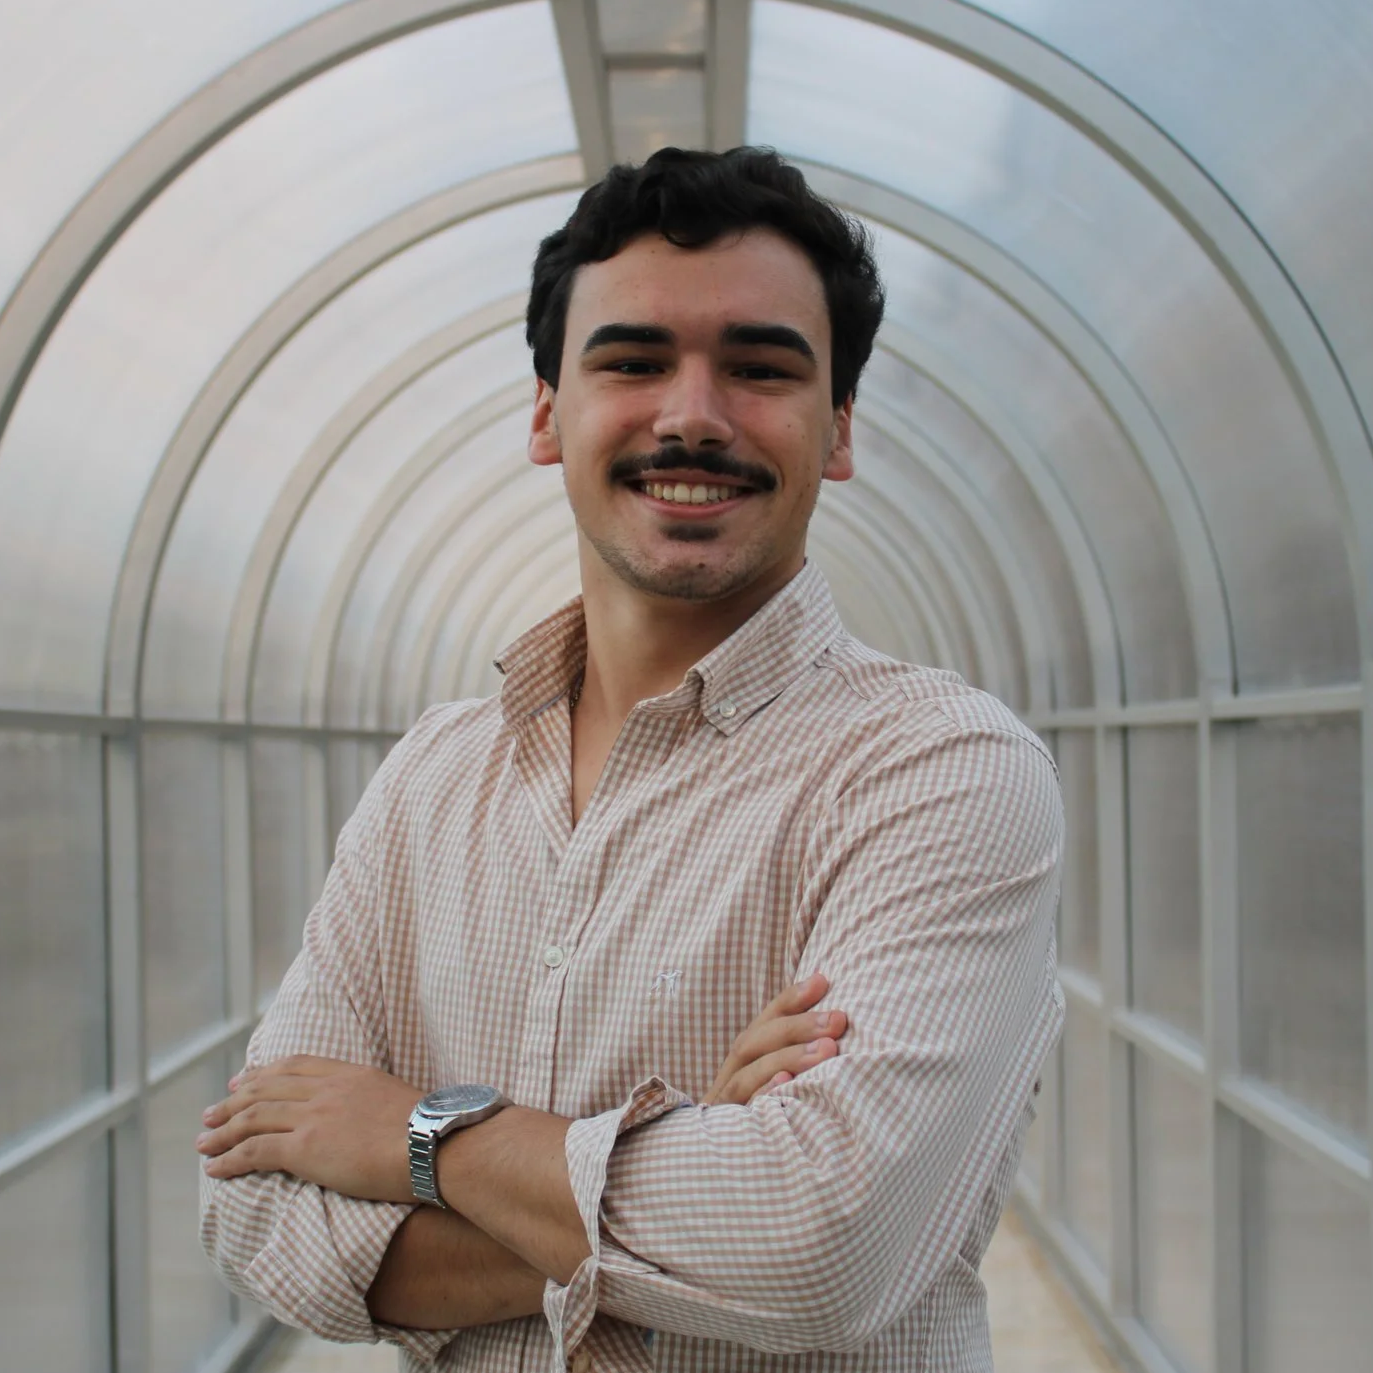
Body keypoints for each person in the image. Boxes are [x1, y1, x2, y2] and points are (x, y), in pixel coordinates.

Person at [198, 146, 1063, 1373]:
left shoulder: (936, 769)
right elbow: (253, 1211)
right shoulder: (430, 779)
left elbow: (818, 1239)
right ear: (546, 414)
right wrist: (689, 1149)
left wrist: (417, 1136)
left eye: (760, 367)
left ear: (837, 430)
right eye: (632, 361)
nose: (692, 416)